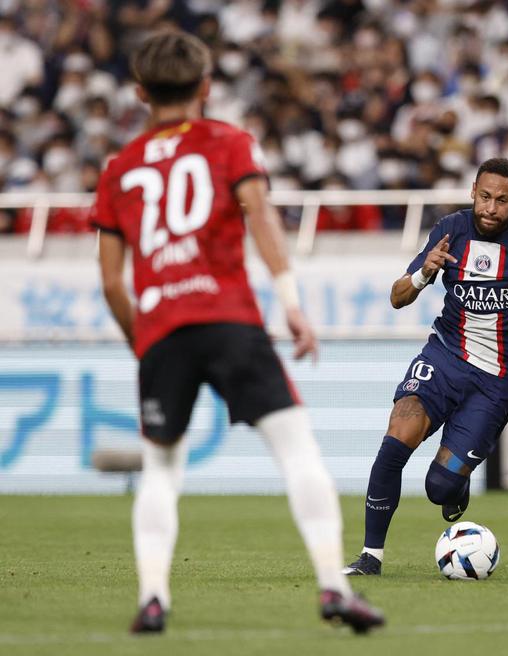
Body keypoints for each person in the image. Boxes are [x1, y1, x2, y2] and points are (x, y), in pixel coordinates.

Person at [92, 31, 383, 634]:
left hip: (164, 331)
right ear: (205, 86)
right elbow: (264, 220)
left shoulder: (119, 169)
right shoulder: (228, 142)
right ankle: (333, 587)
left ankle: (153, 598)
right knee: (297, 451)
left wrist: (141, 342)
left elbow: (113, 283)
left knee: (161, 470)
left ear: (140, 92)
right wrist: (292, 305)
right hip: (230, 319)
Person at [342, 158, 508, 576]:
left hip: (497, 380)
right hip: (444, 358)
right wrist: (423, 274)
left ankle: (455, 485)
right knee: (394, 444)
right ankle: (371, 557)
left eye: (502, 201)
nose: (491, 208)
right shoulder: (449, 230)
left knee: (439, 488)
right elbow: (397, 296)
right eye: (486, 197)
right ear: (474, 190)